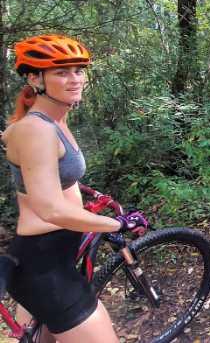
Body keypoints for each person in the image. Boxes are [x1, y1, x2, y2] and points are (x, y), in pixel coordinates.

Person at [2, 34, 147, 343]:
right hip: (45, 267)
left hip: (51, 257)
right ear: (34, 78)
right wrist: (118, 222)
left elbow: (43, 173)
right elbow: (50, 208)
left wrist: (81, 188)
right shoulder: (35, 130)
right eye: (61, 72)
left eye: (79, 70)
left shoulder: (53, 121)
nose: (74, 79)